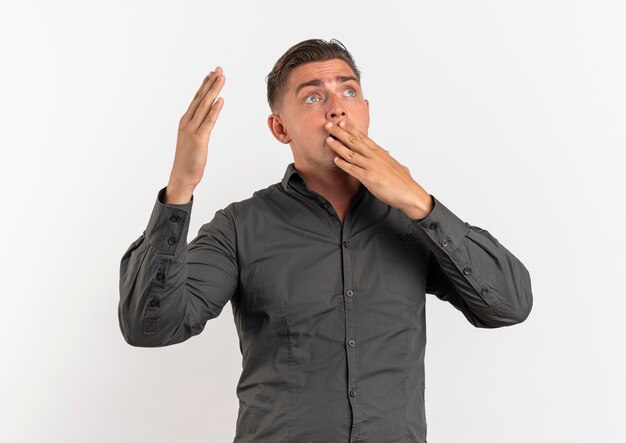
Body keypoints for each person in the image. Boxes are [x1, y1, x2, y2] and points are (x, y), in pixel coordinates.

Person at [118, 38, 533, 443]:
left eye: (348, 91)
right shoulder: (239, 227)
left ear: (366, 112)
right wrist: (180, 188)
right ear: (280, 128)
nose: (337, 108)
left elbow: (508, 305)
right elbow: (150, 327)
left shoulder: (413, 220)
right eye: (313, 98)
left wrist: (419, 202)